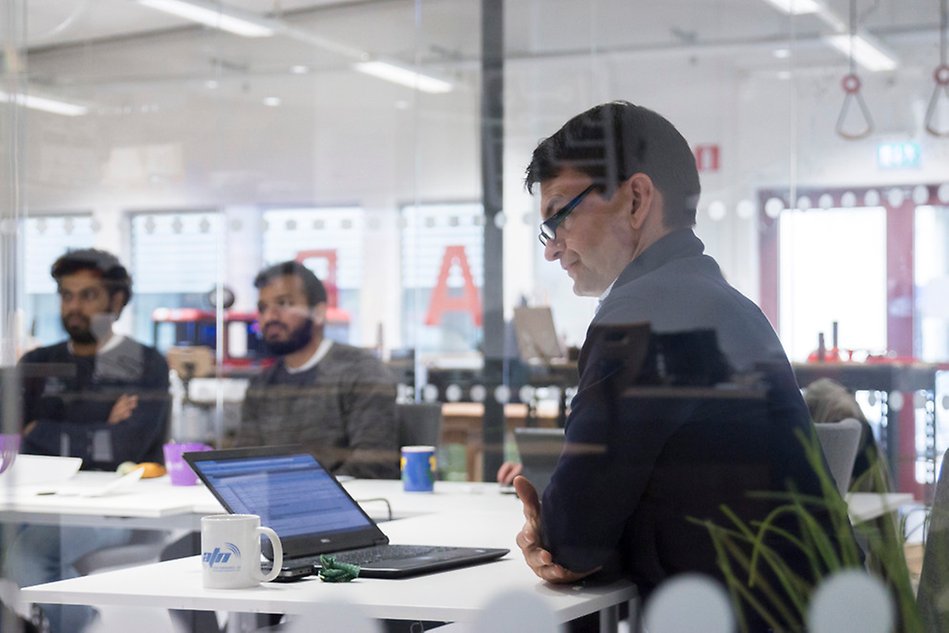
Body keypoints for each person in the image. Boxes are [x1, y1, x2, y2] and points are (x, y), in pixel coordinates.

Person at [512, 102, 850, 631]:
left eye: (560, 216)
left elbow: (572, 540)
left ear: (637, 199)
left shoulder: (643, 318)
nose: (553, 250)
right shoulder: (723, 304)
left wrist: (553, 531)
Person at [3, 248, 170, 633]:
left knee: (27, 557)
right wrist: (101, 424)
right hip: (35, 497)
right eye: (66, 295)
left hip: (113, 505)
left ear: (116, 301)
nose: (74, 306)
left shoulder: (143, 362)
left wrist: (42, 429)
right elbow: (14, 441)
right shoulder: (38, 363)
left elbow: (123, 448)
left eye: (88, 295)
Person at [234, 261, 399, 479]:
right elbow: (246, 463)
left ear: (319, 313)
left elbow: (372, 463)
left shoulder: (361, 372)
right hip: (274, 506)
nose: (270, 317)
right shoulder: (262, 385)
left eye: (284, 303)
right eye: (263, 307)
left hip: (349, 505)